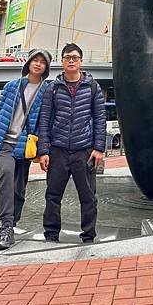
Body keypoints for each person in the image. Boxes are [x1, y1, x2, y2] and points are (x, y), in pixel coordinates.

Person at [38, 43, 106, 244]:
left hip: (83, 150)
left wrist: (99, 148)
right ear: (62, 61)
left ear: (81, 61)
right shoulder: (52, 88)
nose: (71, 61)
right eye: (67, 57)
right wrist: (44, 150)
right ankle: (51, 234)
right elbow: (45, 119)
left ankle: (88, 235)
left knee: (88, 197)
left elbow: (99, 119)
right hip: (57, 150)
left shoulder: (93, 87)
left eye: (75, 57)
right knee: (52, 195)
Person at [0, 48, 52, 251]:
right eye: (35, 60)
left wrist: (43, 149)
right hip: (5, 143)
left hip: (25, 145)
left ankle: (12, 223)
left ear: (46, 68)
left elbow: (45, 122)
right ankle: (5, 226)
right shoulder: (12, 86)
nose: (38, 64)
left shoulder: (47, 91)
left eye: (43, 62)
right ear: (29, 63)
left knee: (19, 187)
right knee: (6, 173)